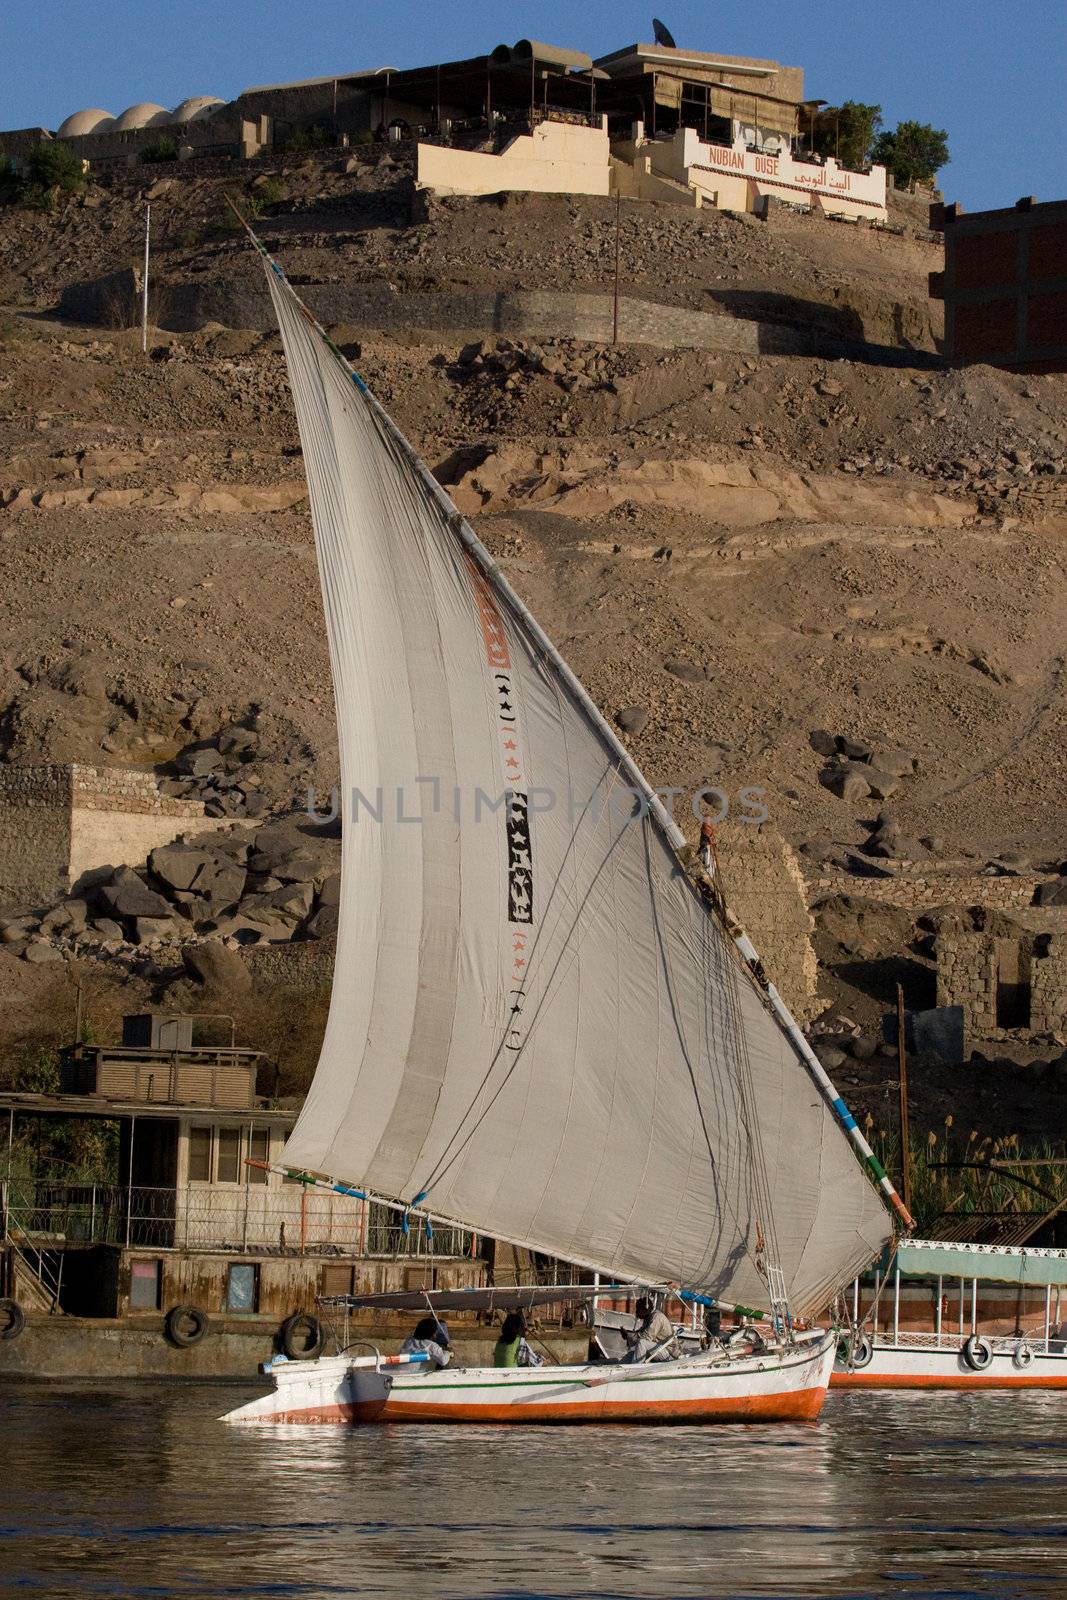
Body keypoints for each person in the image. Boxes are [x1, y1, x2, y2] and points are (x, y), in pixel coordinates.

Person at [624, 1295, 681, 1363]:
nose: (637, 1312)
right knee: (631, 1354)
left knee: (642, 1343)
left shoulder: (657, 1317)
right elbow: (640, 1333)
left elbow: (646, 1337)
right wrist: (628, 1336)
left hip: (669, 1353)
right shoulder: (648, 1318)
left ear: (645, 1309)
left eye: (638, 1309)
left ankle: (636, 1369)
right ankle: (617, 1369)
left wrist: (631, 1337)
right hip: (658, 1349)